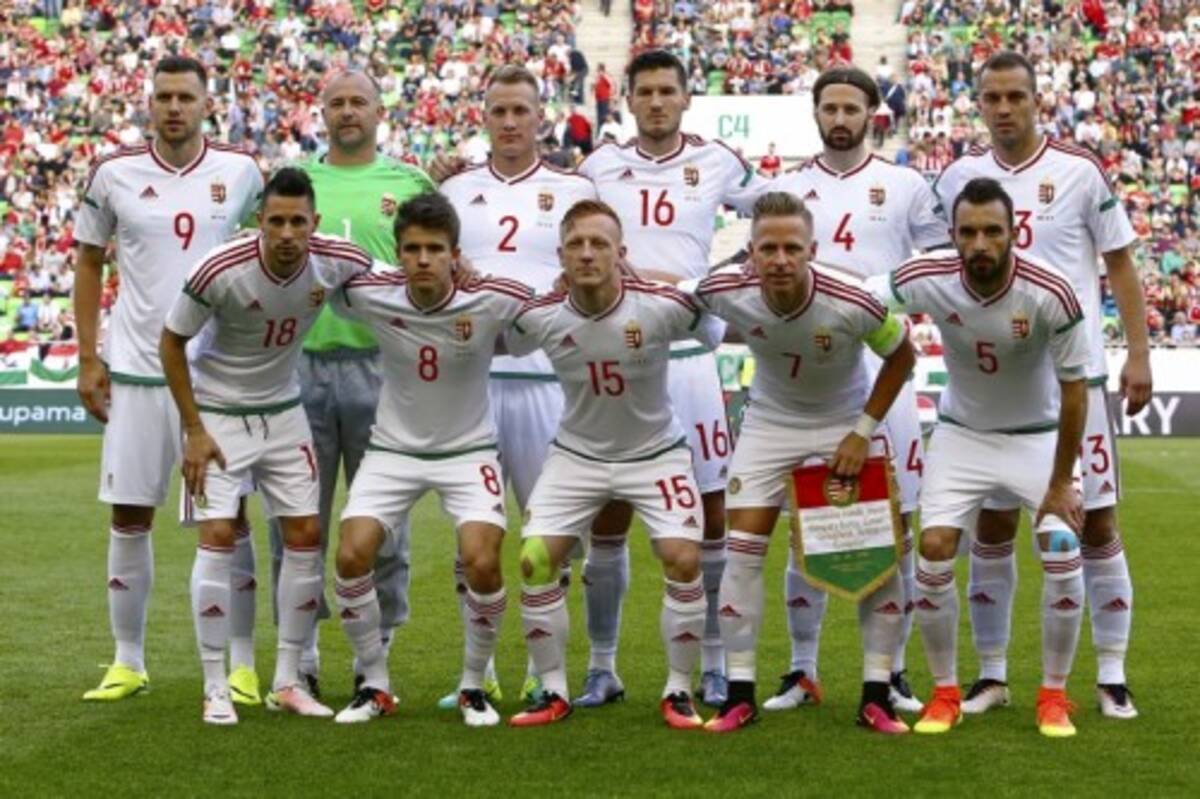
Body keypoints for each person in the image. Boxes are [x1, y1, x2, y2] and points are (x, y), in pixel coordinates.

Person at [932, 51, 1149, 720]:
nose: (1004, 108)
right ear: (978, 103)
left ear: (1036, 100)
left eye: (1015, 97)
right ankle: (991, 675)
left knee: (1096, 523)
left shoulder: (1079, 171)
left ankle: (1111, 673)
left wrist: (1138, 353)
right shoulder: (959, 178)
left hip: (1073, 383)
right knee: (993, 525)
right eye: (991, 97)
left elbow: (1120, 264)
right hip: (994, 388)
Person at [573, 49, 769, 709]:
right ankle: (602, 666)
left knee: (711, 515)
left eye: (667, 91)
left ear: (687, 97)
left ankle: (713, 663)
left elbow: (781, 208)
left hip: (687, 358)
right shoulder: (599, 166)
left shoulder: (718, 161)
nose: (656, 101)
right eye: (646, 92)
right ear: (628, 99)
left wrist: (727, 275)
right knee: (608, 513)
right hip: (618, 361)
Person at [690, 192, 917, 734]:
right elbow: (668, 296)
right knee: (741, 554)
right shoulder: (722, 290)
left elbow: (903, 357)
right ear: (750, 252)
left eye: (792, 248)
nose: (780, 259)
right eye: (768, 248)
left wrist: (863, 431)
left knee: (874, 558)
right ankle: (739, 695)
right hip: (769, 424)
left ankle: (877, 695)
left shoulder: (853, 301)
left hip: (845, 424)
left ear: (812, 250)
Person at [73, 56, 263, 703]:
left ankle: (242, 665)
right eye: (163, 97)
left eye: (185, 96)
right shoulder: (114, 174)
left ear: (208, 104)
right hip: (136, 370)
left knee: (229, 518)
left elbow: (273, 249)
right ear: (148, 104)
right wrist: (89, 357)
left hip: (216, 376)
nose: (174, 107)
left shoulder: (241, 172)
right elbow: (90, 261)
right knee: (130, 514)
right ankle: (128, 660)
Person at [762, 65, 949, 714]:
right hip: (807, 372)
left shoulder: (906, 185)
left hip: (884, 364)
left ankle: (892, 671)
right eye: (829, 107)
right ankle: (801, 668)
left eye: (851, 108)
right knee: (805, 521)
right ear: (815, 113)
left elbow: (938, 264)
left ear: (873, 114)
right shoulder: (787, 188)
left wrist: (882, 293)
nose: (839, 118)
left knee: (897, 522)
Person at [877, 177, 1089, 738]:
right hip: (962, 435)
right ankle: (945, 693)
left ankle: (1054, 695)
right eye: (967, 232)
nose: (979, 244)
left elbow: (1075, 392)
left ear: (1014, 233)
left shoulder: (1051, 290)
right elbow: (862, 300)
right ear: (951, 234)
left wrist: (1061, 483)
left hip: (1038, 437)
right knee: (933, 549)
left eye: (992, 231)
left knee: (1062, 548)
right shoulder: (927, 276)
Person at [159, 168, 369, 724]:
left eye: (298, 221)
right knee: (217, 538)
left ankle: (288, 680)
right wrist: (194, 429)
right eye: (276, 221)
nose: (287, 233)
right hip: (218, 416)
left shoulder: (336, 259)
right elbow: (172, 342)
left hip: (284, 413)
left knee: (305, 536)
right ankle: (215, 686)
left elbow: (395, 281)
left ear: (315, 222)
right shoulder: (220, 268)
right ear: (259, 221)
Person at [505, 199, 722, 730]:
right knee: (535, 559)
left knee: (683, 559)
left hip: (655, 454)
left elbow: (713, 326)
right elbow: (497, 340)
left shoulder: (660, 305)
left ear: (620, 252)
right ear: (560, 255)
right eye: (576, 244)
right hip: (577, 455)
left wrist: (667, 279)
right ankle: (552, 690)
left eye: (599, 243)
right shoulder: (540, 314)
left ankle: (678, 690)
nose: (587, 254)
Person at [327, 192, 531, 727]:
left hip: (469, 451)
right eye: (412, 249)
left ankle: (473, 686)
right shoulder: (372, 293)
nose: (423, 259)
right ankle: (374, 685)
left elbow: (547, 304)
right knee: (350, 554)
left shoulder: (491, 298)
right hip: (392, 449)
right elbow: (324, 270)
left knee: (482, 560)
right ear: (397, 253)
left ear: (454, 254)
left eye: (435, 249)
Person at [436, 64, 599, 708]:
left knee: (546, 536)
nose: (509, 122)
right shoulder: (455, 188)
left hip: (546, 381)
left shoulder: (574, 188)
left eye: (520, 111)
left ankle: (542, 669)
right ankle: (477, 673)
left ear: (540, 117)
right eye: (498, 111)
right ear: (484, 117)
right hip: (468, 383)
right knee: (472, 539)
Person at [270, 70, 436, 698]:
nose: (347, 111)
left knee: (384, 520)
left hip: (382, 370)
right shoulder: (293, 182)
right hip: (300, 369)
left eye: (358, 101)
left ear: (379, 110)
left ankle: (376, 657)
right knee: (296, 522)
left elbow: (438, 260)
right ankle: (302, 655)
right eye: (336, 102)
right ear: (321, 112)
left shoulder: (411, 182)